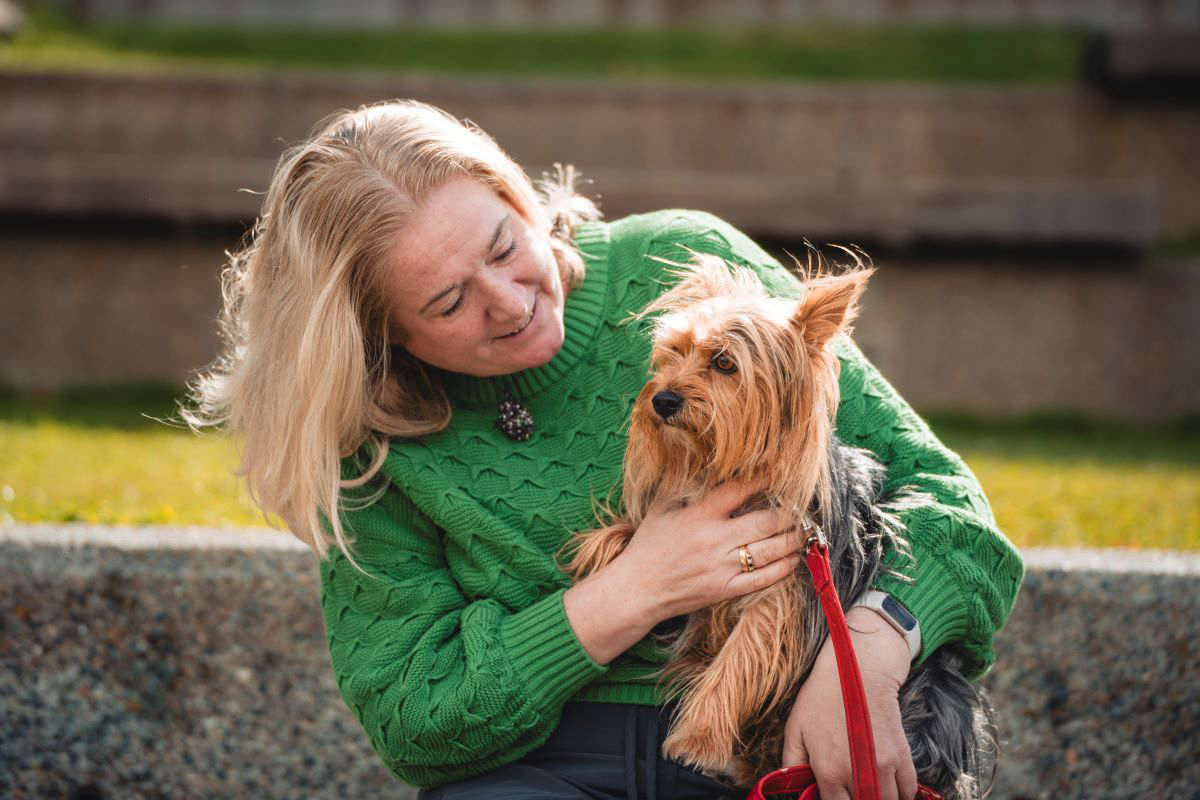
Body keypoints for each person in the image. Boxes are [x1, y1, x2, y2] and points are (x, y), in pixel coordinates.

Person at [185, 100, 1025, 800]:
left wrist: (871, 658)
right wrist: (637, 586)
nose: (512, 302)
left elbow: (948, 504)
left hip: (772, 735)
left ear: (516, 196)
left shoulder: (682, 260)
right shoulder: (368, 440)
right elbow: (413, 717)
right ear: (379, 339)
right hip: (536, 770)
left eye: (507, 246)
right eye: (448, 303)